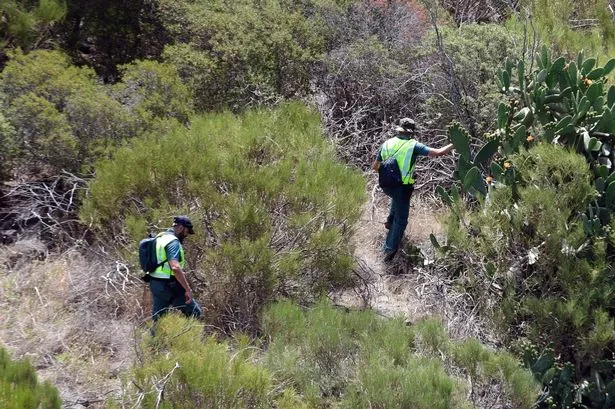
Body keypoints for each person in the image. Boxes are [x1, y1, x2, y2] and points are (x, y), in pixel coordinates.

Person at [372, 118, 454, 262]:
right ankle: (388, 251)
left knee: (396, 203)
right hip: (402, 188)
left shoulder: (387, 143)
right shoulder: (413, 145)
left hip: (386, 185)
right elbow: (438, 153)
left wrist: (389, 173)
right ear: (411, 132)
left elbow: (375, 166)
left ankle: (390, 222)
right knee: (402, 220)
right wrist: (455, 144)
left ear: (399, 130)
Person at [147, 215, 202, 321]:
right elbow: (175, 267)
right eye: (187, 231)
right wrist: (187, 289)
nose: (186, 235)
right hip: (170, 285)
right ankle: (188, 336)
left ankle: (156, 337)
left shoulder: (160, 237)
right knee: (194, 313)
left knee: (159, 320)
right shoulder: (173, 242)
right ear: (181, 228)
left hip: (156, 283)